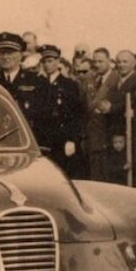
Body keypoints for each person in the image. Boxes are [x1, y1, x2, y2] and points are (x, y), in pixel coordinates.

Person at [30, 45, 86, 175]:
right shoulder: (38, 84)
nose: (47, 65)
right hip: (42, 139)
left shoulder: (69, 85)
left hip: (61, 139)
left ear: (58, 61)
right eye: (44, 61)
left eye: (50, 61)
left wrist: (72, 139)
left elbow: (75, 114)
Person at [84, 47, 122, 181]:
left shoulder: (116, 78)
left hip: (108, 134)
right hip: (94, 136)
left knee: (108, 178)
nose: (97, 65)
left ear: (109, 61)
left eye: (101, 61)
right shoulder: (93, 79)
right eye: (95, 62)